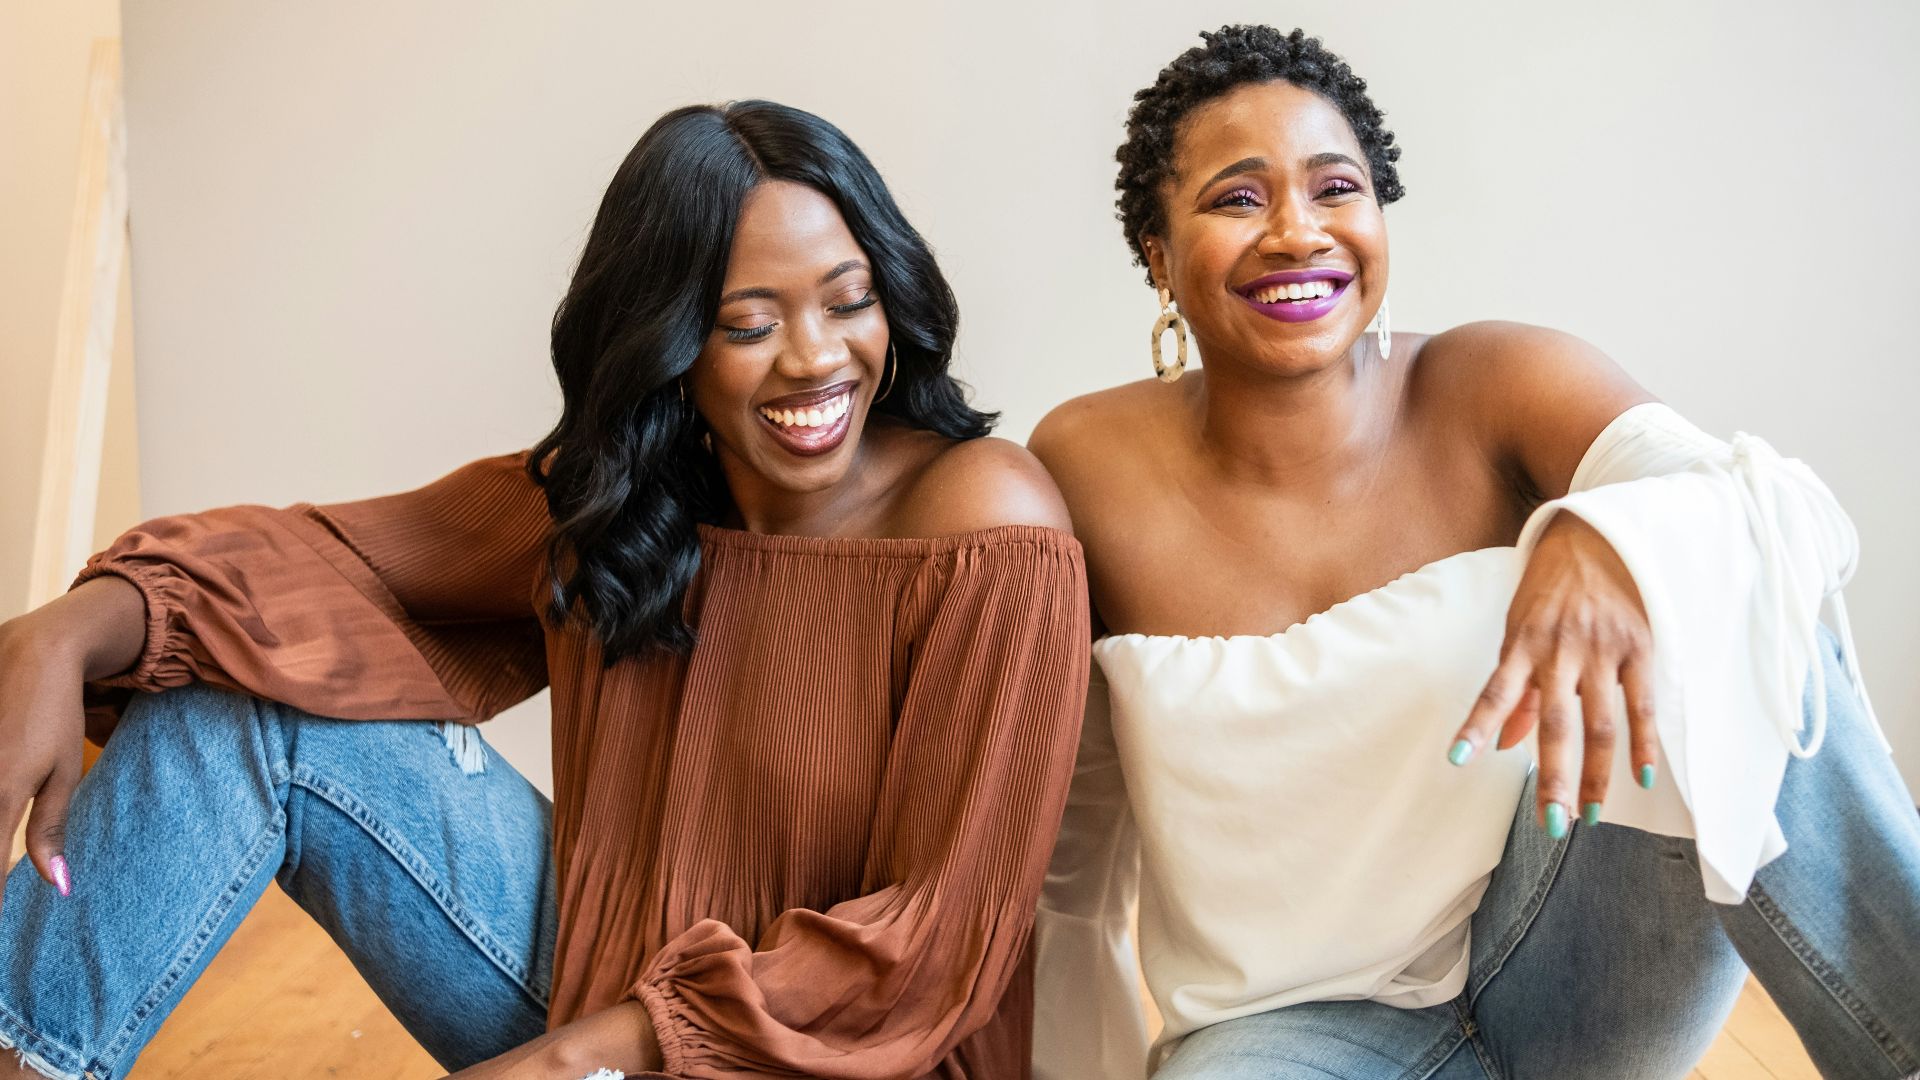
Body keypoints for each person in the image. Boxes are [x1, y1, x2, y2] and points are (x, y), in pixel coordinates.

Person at [0, 100, 1087, 1080]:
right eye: (747, 323)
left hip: (825, 1057)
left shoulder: (986, 526)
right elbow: (326, 556)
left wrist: (574, 1062)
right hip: (594, 992)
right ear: (668, 344)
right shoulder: (631, 496)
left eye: (848, 303)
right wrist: (59, 636)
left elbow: (935, 941)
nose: (815, 359)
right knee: (236, 695)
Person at [1031, 25, 1920, 1080]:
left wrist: (1607, 536)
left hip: (1574, 960)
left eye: (1335, 188)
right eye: (1236, 198)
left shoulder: (1495, 382)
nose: (1296, 232)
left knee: (1727, 588)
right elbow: (1066, 828)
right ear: (1159, 256)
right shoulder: (1086, 463)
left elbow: (1787, 520)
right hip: (1284, 1033)